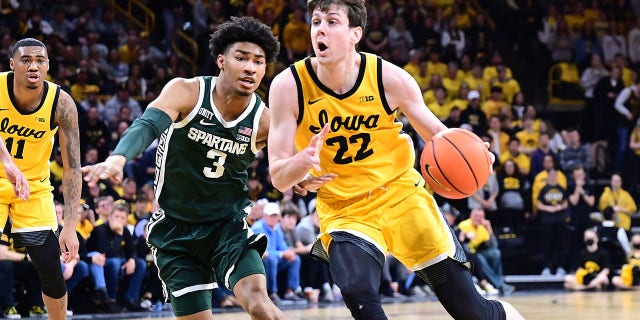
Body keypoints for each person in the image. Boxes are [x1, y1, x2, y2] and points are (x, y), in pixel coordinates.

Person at [267, 1, 524, 319]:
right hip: (345, 209)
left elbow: (438, 135)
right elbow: (279, 176)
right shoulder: (288, 86)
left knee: (472, 312)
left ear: (354, 34)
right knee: (357, 290)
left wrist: (472, 150)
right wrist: (302, 161)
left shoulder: (388, 78)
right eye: (316, 21)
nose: (320, 28)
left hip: (402, 196)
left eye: (332, 22)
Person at [81, 17, 284, 320]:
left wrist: (305, 174)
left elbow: (286, 162)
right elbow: (147, 124)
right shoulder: (187, 92)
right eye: (241, 58)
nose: (250, 67)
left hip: (226, 226)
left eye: (259, 61)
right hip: (176, 229)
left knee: (259, 304)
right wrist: (118, 158)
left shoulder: (264, 120)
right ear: (221, 61)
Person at [0, 38, 82, 320]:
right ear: (12, 65)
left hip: (32, 188)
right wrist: (7, 163)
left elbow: (72, 167)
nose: (33, 66)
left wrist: (70, 225)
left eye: (40, 60)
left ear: (47, 65)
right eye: (26, 60)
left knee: (49, 264)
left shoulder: (61, 103)